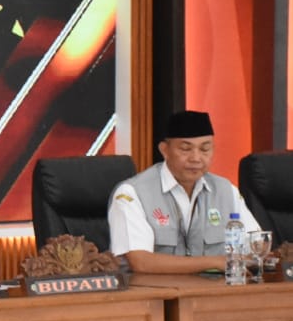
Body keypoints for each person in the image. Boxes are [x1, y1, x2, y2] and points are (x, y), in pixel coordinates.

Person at [107, 109, 260, 274]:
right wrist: (216, 262)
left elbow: (257, 245)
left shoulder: (226, 190)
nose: (196, 158)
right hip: (153, 289)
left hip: (215, 288)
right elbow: (141, 262)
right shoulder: (132, 194)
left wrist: (258, 253)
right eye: (186, 149)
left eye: (205, 149)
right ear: (164, 150)